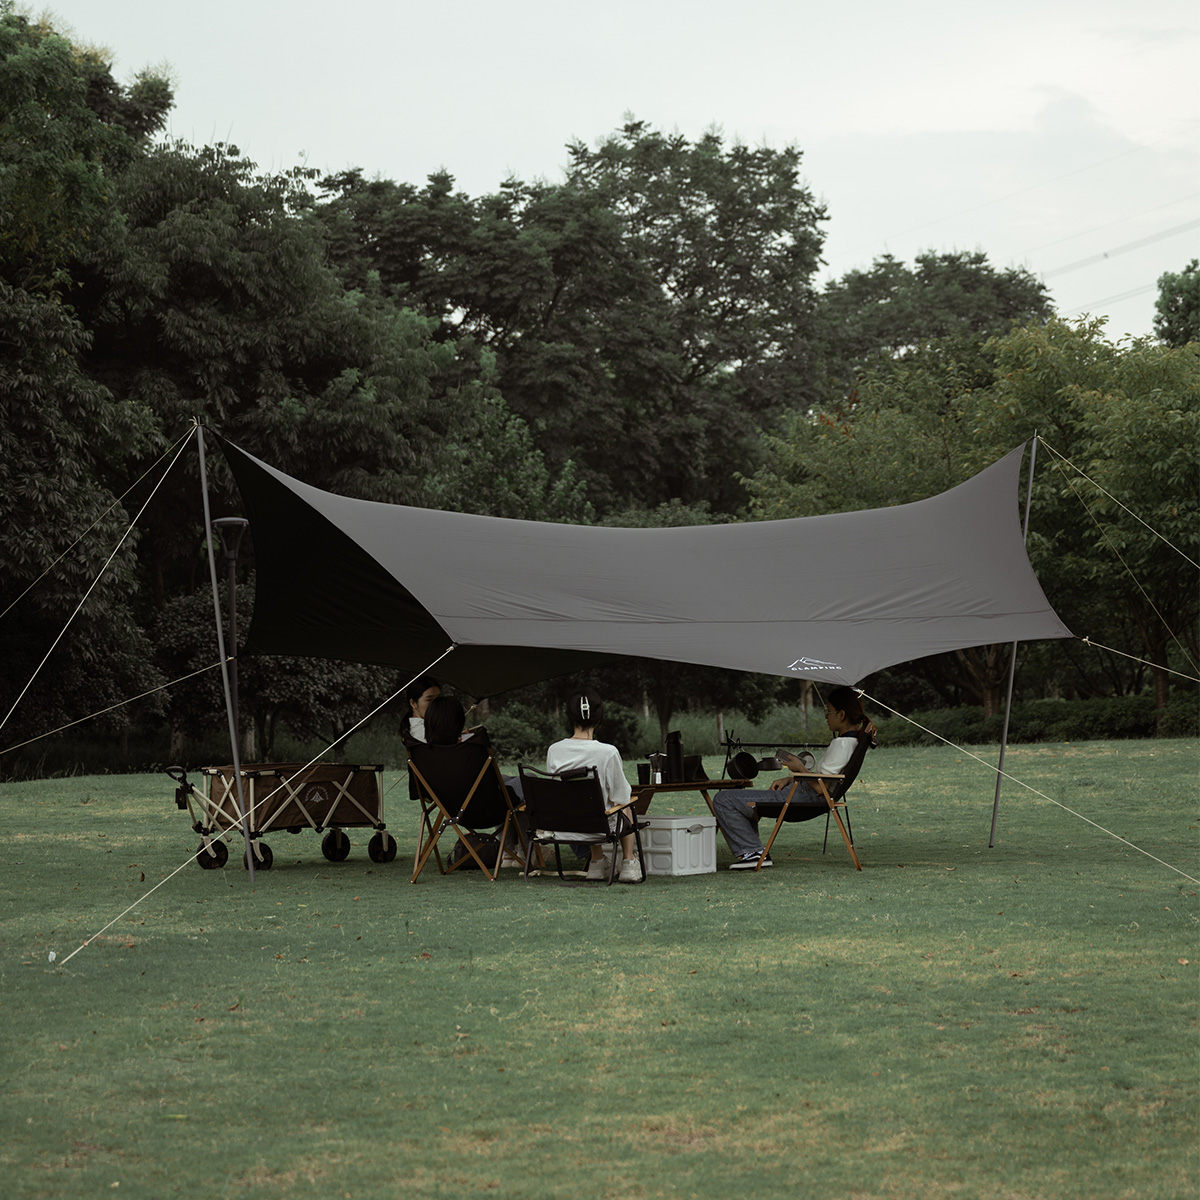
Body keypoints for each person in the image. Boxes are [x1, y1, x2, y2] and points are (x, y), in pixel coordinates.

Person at [713, 686, 874, 870]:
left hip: (803, 798)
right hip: (799, 792)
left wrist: (798, 768)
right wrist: (790, 779)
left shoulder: (843, 745)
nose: (826, 716)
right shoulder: (848, 742)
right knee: (738, 799)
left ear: (842, 714)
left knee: (723, 799)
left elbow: (821, 789)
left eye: (828, 711)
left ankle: (753, 851)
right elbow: (824, 780)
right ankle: (753, 850)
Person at [545, 690, 643, 884]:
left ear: (569, 717)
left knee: (584, 803)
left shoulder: (554, 750)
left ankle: (597, 863)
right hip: (599, 826)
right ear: (599, 719)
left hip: (564, 827)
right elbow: (621, 797)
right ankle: (629, 863)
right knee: (626, 804)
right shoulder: (607, 752)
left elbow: (555, 791)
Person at [400, 675, 441, 746]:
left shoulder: (429, 729)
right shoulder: (421, 733)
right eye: (429, 700)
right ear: (413, 703)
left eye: (438, 699)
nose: (436, 704)